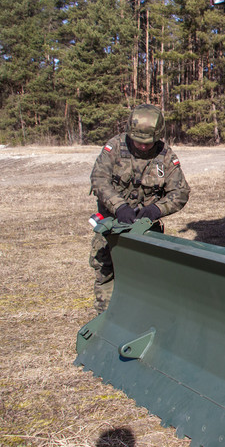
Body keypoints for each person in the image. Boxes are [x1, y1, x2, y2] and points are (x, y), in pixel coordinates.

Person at [89, 103, 190, 314]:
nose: (143, 147)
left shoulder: (165, 156)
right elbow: (99, 179)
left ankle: (142, 318)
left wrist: (156, 210)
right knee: (106, 271)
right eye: (138, 142)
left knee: (149, 277)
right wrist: (119, 207)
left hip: (145, 231)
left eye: (148, 143)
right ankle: (107, 318)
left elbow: (180, 192)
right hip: (112, 227)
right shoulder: (114, 147)